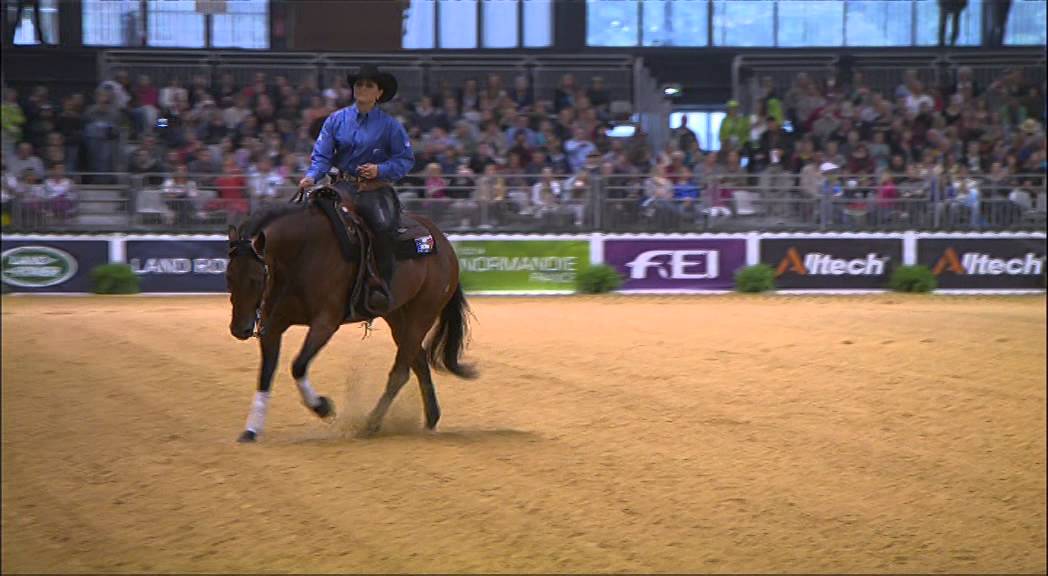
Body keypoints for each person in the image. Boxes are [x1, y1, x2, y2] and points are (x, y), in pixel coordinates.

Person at [298, 64, 414, 314]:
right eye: (359, 84)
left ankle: (381, 286)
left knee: (383, 228)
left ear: (379, 93)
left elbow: (405, 160)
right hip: (340, 186)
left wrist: (380, 170)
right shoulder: (336, 120)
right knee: (309, 221)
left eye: (369, 85)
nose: (362, 88)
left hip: (374, 189)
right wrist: (311, 176)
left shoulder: (391, 126)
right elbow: (322, 156)